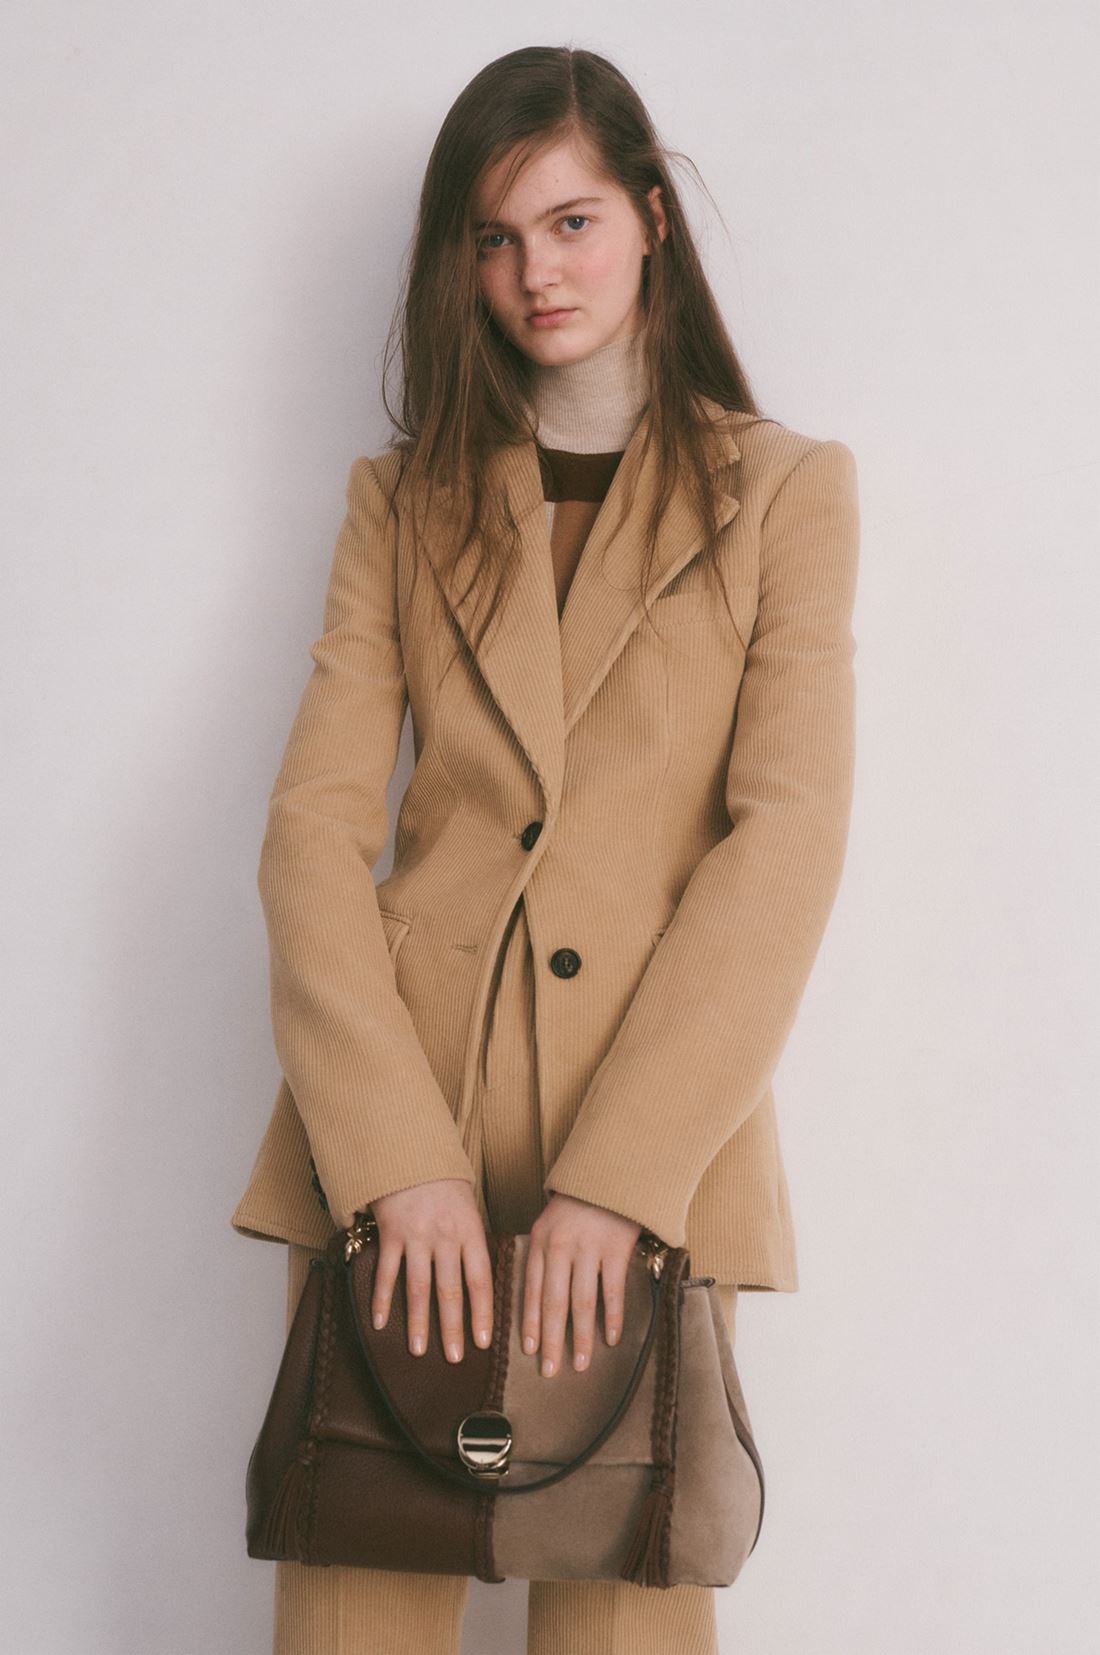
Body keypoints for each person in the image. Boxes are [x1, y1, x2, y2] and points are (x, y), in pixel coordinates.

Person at [231, 43, 860, 1655]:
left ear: (651, 218)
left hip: (643, 1145)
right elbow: (310, 835)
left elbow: (780, 848)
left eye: (572, 222)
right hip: (400, 1145)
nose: (536, 273)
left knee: (623, 1629)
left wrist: (619, 1185)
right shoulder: (401, 501)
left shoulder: (789, 495)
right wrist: (392, 1159)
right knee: (354, 1624)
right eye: (496, 238)